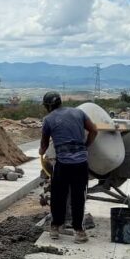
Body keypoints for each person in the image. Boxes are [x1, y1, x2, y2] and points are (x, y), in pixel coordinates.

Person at [38, 91, 98, 244]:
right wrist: (86, 145)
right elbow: (94, 130)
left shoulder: (48, 119)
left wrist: (41, 151)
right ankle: (79, 232)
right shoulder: (79, 113)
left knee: (58, 195)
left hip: (63, 165)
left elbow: (44, 144)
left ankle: (55, 228)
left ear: (48, 106)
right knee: (79, 197)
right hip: (80, 164)